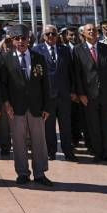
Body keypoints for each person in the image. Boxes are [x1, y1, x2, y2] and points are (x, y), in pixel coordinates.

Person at [0, 24, 54, 186]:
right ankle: (22, 172)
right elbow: (2, 84)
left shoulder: (38, 58)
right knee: (19, 142)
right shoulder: (5, 59)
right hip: (16, 108)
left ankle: (40, 173)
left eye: (24, 38)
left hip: (36, 107)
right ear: (12, 41)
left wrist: (47, 107)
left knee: (39, 141)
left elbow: (45, 85)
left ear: (29, 40)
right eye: (17, 39)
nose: (21, 41)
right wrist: (6, 104)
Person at [69, 23, 107, 164]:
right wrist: (81, 94)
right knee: (93, 125)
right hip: (88, 95)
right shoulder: (78, 50)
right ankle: (97, 152)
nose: (92, 32)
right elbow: (77, 74)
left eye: (94, 30)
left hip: (106, 93)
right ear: (84, 33)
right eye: (89, 30)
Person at [33, 25, 76, 161]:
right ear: (43, 36)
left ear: (57, 35)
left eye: (53, 34)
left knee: (66, 125)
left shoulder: (65, 50)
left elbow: (71, 72)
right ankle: (51, 152)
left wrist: (73, 90)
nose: (50, 36)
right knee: (48, 126)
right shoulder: (36, 50)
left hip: (64, 95)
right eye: (47, 34)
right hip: (47, 96)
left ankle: (68, 152)